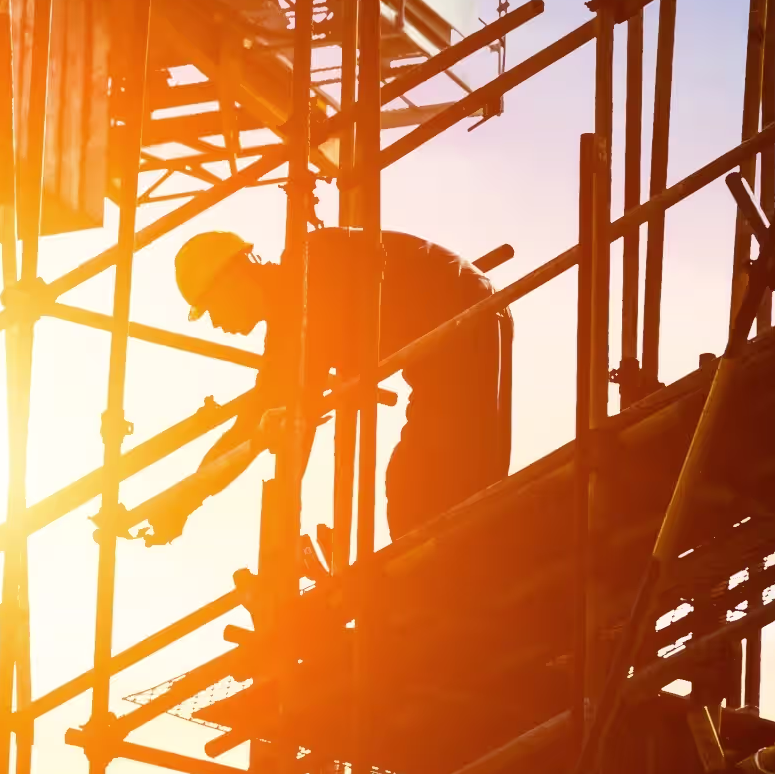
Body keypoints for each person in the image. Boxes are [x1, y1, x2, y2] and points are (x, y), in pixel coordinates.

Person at [135, 227, 510, 547]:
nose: (215, 323)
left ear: (235, 275)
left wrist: (272, 511)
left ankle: (437, 594)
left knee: (423, 482)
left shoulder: (310, 269)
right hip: (463, 320)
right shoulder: (291, 316)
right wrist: (186, 499)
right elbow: (258, 420)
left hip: (462, 312)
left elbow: (295, 414)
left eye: (211, 307)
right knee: (441, 476)